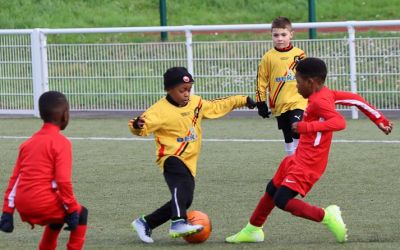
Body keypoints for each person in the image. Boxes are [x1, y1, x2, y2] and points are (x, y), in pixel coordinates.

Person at [226, 57, 393, 244]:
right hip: (299, 156)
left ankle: (327, 215)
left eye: (297, 82)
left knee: (282, 200)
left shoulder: (319, 102)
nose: (296, 87)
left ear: (311, 82)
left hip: (309, 163)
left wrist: (305, 127)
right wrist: (381, 121)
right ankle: (253, 229)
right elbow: (357, 100)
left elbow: (340, 122)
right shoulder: (325, 93)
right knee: (272, 189)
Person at [128, 66, 256, 243]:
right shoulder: (159, 110)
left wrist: (243, 100)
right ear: (168, 90)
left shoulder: (196, 103)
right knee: (180, 186)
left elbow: (217, 105)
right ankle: (178, 223)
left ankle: (145, 223)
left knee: (185, 200)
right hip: (171, 157)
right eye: (182, 90)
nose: (186, 94)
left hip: (189, 161)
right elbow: (141, 126)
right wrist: (137, 125)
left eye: (188, 90)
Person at [0, 91, 88, 250]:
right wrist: (72, 208)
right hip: (42, 204)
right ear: (65, 115)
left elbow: (15, 179)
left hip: (23, 205)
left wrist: (7, 212)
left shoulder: (28, 143)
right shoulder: (61, 143)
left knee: (58, 215)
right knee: (81, 213)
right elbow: (63, 181)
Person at [255, 16, 307, 155]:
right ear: (271, 35)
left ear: (291, 34)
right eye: (276, 35)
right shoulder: (268, 57)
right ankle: (291, 162)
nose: (280, 38)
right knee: (287, 135)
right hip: (279, 103)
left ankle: (298, 164)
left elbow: (308, 77)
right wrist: (260, 103)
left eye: (283, 34)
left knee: (297, 128)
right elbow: (261, 81)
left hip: (298, 101)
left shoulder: (299, 55)